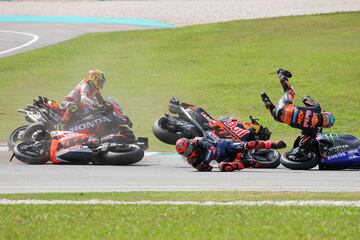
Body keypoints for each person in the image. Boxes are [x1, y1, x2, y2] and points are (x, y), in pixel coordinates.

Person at [260, 68, 335, 146]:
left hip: (285, 105)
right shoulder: (313, 131)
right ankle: (267, 102)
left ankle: (281, 73)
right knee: (276, 117)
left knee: (290, 91)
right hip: (280, 116)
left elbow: (305, 98)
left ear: (325, 114)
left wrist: (308, 102)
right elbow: (303, 142)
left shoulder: (317, 109)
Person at [175, 137, 286, 172]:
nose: (189, 152)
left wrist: (204, 162)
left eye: (188, 148)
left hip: (224, 146)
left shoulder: (198, 141)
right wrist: (202, 167)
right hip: (223, 158)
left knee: (247, 145)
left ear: (190, 143)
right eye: (186, 152)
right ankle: (247, 163)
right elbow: (206, 169)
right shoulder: (191, 161)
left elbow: (211, 149)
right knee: (224, 167)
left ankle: (273, 144)